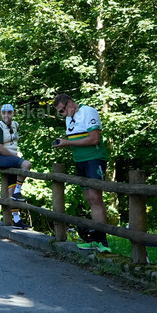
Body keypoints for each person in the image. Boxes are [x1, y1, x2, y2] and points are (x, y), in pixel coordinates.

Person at [52, 93, 111, 251]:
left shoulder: (88, 111)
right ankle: (95, 239)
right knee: (89, 199)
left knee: (96, 197)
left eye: (63, 110)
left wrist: (67, 143)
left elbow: (94, 139)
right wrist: (63, 143)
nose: (62, 114)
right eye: (60, 112)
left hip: (94, 158)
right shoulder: (68, 118)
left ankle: (102, 241)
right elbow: (76, 139)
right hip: (80, 161)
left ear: (70, 103)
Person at [0, 104, 31, 230]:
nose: (6, 115)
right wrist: (16, 157)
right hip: (1, 157)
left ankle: (17, 220)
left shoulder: (16, 125)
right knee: (26, 164)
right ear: (0, 114)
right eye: (4, 113)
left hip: (11, 157)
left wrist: (15, 156)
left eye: (9, 113)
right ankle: (18, 193)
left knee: (11, 189)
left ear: (13, 113)